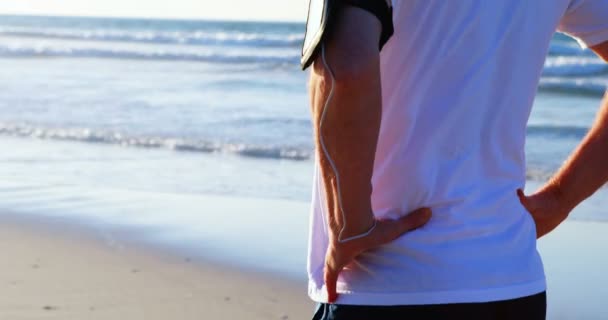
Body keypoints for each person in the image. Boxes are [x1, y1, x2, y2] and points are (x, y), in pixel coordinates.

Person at [304, 0, 608, 319]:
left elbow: (344, 70)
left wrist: (349, 225)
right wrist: (559, 199)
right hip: (510, 280)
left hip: (384, 280)